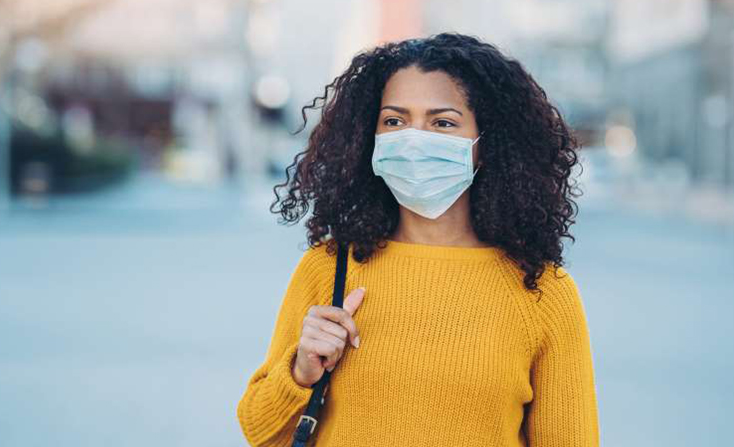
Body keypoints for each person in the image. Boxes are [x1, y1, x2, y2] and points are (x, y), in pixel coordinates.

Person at [236, 32, 600, 446]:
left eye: (442, 122)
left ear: (488, 143)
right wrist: (301, 372)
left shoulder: (543, 293)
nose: (414, 139)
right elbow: (259, 431)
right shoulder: (329, 268)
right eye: (394, 120)